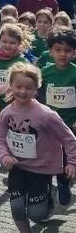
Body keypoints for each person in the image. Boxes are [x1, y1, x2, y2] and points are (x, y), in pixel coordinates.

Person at [0, 63, 76, 233]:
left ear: (36, 89)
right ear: (10, 86)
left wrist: (72, 162)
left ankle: (47, 203)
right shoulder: (7, 113)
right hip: (18, 168)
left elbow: (69, 139)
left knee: (37, 215)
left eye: (28, 88)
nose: (22, 91)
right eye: (18, 86)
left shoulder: (46, 115)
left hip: (41, 170)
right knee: (17, 208)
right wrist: (4, 157)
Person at [38, 27, 76, 207]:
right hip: (48, 124)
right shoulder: (45, 72)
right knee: (47, 157)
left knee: (64, 158)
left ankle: (63, 182)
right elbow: (36, 92)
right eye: (58, 50)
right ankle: (45, 193)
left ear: (74, 53)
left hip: (70, 125)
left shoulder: (75, 73)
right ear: (50, 51)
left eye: (67, 51)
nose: (63, 54)